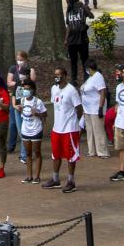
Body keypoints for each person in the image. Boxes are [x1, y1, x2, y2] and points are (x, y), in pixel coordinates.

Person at [45, 64, 82, 193]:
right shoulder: (54, 89)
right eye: (55, 75)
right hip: (57, 128)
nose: (57, 77)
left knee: (70, 156)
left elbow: (79, 109)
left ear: (65, 76)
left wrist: (76, 124)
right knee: (55, 154)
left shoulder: (71, 90)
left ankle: (71, 181)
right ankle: (55, 179)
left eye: (59, 75)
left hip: (70, 129)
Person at [17, 82, 48, 183]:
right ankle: (29, 176)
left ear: (33, 90)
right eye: (24, 88)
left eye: (28, 89)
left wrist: (37, 113)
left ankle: (37, 176)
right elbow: (21, 112)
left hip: (36, 130)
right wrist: (19, 109)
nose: (25, 91)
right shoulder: (22, 100)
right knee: (28, 153)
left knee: (37, 152)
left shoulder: (38, 102)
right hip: (25, 130)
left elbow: (45, 114)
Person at [6, 51, 36, 155]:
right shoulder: (13, 68)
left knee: (24, 126)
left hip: (26, 102)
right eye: (18, 59)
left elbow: (32, 83)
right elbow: (9, 82)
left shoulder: (30, 70)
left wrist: (22, 83)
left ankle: (25, 151)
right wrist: (19, 83)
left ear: (26, 59)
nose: (19, 61)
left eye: (21, 60)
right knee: (13, 124)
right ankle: (11, 145)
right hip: (15, 101)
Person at [81, 61, 109, 158]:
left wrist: (100, 107)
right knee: (90, 130)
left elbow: (102, 92)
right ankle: (92, 151)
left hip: (96, 108)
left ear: (89, 68)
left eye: (87, 68)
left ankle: (103, 152)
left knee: (98, 130)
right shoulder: (90, 78)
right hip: (88, 109)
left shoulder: (98, 76)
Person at [64, 0, 90, 86]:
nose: (66, 0)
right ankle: (74, 79)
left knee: (85, 60)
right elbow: (69, 26)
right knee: (73, 61)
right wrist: (66, 39)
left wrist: (84, 7)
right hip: (72, 41)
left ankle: (87, 78)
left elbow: (91, 16)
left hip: (82, 39)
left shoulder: (81, 8)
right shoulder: (69, 10)